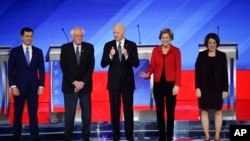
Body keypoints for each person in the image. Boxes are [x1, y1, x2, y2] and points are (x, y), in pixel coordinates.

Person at [140, 28, 182, 141]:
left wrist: (177, 85)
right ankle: (162, 136)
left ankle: (169, 136)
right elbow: (152, 66)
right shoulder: (156, 50)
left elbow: (178, 68)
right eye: (163, 37)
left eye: (167, 37)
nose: (165, 40)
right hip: (158, 84)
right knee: (159, 111)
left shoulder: (176, 51)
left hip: (171, 84)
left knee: (170, 111)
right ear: (160, 38)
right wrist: (148, 74)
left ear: (171, 38)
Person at [101, 23, 139, 141]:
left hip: (127, 83)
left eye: (117, 32)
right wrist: (110, 56)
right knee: (114, 111)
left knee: (128, 110)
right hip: (114, 84)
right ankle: (116, 136)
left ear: (124, 32)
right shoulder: (108, 45)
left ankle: (129, 135)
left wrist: (127, 55)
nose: (115, 34)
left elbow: (136, 63)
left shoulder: (131, 45)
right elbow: (103, 64)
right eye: (114, 32)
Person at [8, 27, 45, 141]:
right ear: (22, 37)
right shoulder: (15, 51)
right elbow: (10, 70)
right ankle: (16, 136)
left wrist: (41, 85)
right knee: (17, 114)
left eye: (31, 36)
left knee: (33, 114)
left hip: (33, 88)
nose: (29, 38)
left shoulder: (38, 51)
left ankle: (35, 136)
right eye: (27, 36)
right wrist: (13, 86)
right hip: (18, 88)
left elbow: (42, 70)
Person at [60, 27, 95, 141]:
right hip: (70, 86)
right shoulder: (65, 48)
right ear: (72, 36)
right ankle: (68, 137)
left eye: (81, 35)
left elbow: (91, 67)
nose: (79, 37)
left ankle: (86, 137)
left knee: (87, 115)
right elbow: (64, 67)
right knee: (69, 115)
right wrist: (74, 82)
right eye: (77, 35)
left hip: (85, 86)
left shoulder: (89, 47)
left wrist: (82, 83)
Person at [195, 33, 228, 141]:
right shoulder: (202, 55)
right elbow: (197, 73)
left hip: (217, 88)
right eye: (210, 43)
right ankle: (207, 136)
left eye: (214, 43)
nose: (212, 45)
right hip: (204, 88)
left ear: (217, 43)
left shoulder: (222, 56)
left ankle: (217, 135)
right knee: (204, 111)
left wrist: (225, 89)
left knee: (218, 111)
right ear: (207, 43)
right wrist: (197, 88)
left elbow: (224, 73)